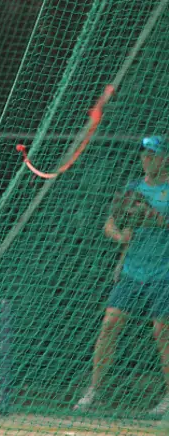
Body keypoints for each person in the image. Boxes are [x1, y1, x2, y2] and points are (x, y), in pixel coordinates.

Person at [75, 136, 169, 417]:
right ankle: (94, 391)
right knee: (110, 324)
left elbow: (158, 221)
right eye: (144, 154)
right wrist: (120, 235)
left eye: (153, 154)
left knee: (161, 331)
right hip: (131, 272)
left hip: (163, 273)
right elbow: (110, 224)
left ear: (165, 157)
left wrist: (155, 219)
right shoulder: (132, 189)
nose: (147, 158)